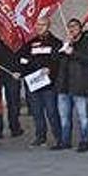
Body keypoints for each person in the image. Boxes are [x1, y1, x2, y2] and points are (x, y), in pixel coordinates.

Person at [17, 16, 64, 150]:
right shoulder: (30, 43)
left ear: (48, 26)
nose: (39, 27)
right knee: (37, 112)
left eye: (42, 24)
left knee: (51, 112)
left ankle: (59, 138)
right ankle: (40, 137)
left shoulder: (56, 43)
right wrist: (20, 71)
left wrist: (50, 69)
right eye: (37, 24)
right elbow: (22, 59)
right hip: (33, 83)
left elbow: (58, 62)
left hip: (49, 85)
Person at [56, 18, 88, 152]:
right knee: (64, 117)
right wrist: (64, 47)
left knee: (82, 116)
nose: (72, 29)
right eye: (69, 27)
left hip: (80, 85)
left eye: (74, 26)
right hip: (63, 85)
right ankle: (65, 141)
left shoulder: (87, 42)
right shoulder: (65, 43)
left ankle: (84, 141)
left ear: (80, 28)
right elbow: (56, 60)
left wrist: (73, 52)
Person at [0, 28, 23, 138]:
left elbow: (21, 54)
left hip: (12, 74)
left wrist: (19, 71)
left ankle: (15, 127)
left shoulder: (15, 37)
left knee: (13, 102)